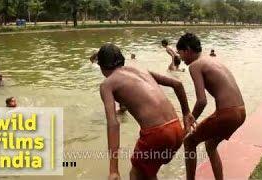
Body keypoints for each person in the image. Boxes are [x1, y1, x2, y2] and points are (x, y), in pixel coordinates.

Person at [97, 43, 193, 180]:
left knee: (136, 175)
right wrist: (186, 113)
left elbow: (113, 123)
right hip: (176, 128)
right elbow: (177, 84)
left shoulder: (107, 84)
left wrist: (113, 169)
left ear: (101, 67)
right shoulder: (140, 70)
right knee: (147, 173)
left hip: (157, 134)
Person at [176, 33, 246, 180]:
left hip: (228, 113)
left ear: (187, 49)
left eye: (180, 53)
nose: (181, 58)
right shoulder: (212, 60)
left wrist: (190, 118)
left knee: (189, 141)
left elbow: (202, 101)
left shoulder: (195, 66)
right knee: (210, 145)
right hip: (241, 112)